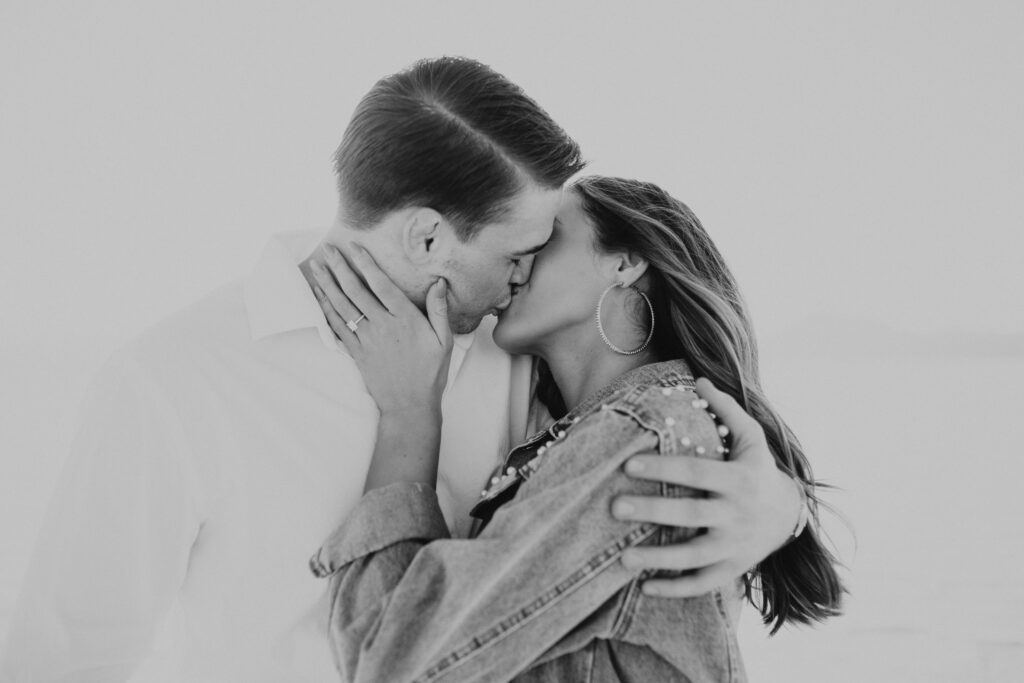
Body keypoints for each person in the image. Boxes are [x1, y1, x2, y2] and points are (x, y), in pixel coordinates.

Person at [1, 59, 802, 682]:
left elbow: (636, 472)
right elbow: (63, 661)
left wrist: (778, 507)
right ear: (426, 239)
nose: (523, 277)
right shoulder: (174, 380)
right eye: (519, 253)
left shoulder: (514, 355)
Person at [307, 175, 845, 682]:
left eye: (543, 241)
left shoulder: (643, 437)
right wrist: (787, 504)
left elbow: (391, 663)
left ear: (625, 262)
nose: (515, 266)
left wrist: (410, 413)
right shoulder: (591, 429)